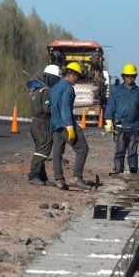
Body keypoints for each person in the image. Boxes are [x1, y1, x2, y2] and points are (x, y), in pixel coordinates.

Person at [50, 62, 90, 190]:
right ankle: (77, 178)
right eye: (77, 77)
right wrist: (70, 126)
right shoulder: (68, 88)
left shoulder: (55, 86)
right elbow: (65, 108)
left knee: (57, 152)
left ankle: (59, 181)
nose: (77, 80)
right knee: (83, 148)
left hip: (55, 124)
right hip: (66, 123)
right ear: (72, 74)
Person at [104, 63, 139, 174]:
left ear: (135, 76)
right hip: (120, 127)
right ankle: (118, 171)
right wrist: (109, 120)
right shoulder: (116, 90)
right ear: (123, 76)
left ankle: (133, 172)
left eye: (132, 76)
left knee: (133, 151)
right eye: (127, 76)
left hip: (134, 127)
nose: (130, 78)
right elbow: (110, 106)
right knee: (119, 150)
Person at [27, 64, 61, 185]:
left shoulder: (36, 90)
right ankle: (33, 175)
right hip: (43, 124)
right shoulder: (47, 91)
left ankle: (42, 177)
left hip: (35, 123)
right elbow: (48, 109)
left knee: (39, 149)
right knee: (43, 150)